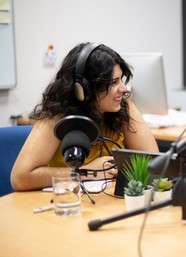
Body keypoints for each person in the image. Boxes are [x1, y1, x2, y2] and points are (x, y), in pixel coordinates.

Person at [11, 43, 159, 191]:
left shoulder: (123, 106)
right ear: (84, 89)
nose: (123, 88)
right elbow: (20, 178)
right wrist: (85, 172)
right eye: (114, 82)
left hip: (106, 203)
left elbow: (154, 164)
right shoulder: (58, 115)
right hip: (64, 204)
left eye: (121, 79)